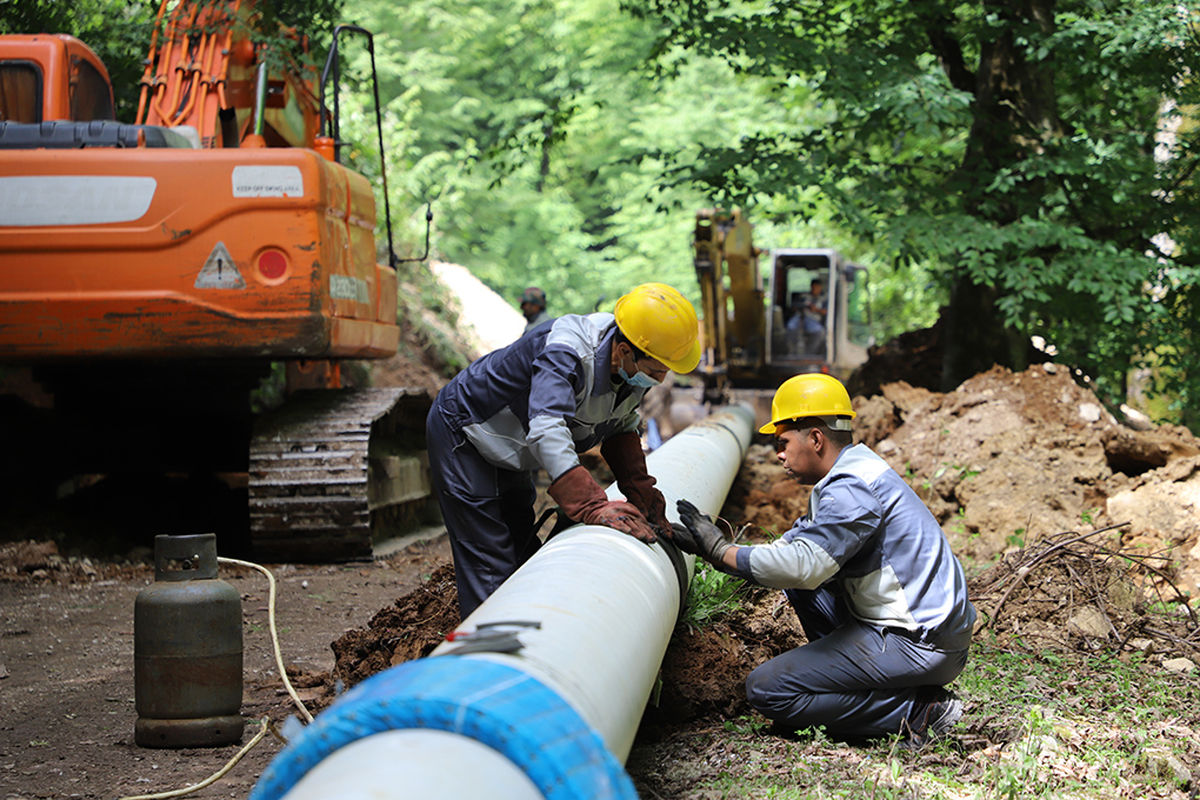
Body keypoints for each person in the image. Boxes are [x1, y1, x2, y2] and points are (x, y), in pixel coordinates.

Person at [671, 373, 975, 748]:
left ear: (815, 438)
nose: (777, 454)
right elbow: (793, 551)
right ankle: (873, 682)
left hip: (920, 643)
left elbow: (804, 564)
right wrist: (715, 549)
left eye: (782, 443)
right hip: (922, 630)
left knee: (768, 689)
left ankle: (917, 711)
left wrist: (720, 552)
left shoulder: (852, 488)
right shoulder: (851, 473)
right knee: (803, 589)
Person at [426, 282, 702, 618]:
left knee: (522, 549)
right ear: (625, 351)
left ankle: (534, 628)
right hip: (467, 432)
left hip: (512, 444)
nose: (660, 379)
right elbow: (546, 426)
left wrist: (643, 494)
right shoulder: (567, 350)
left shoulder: (630, 365)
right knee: (492, 561)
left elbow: (620, 426)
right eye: (657, 370)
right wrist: (589, 504)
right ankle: (491, 650)